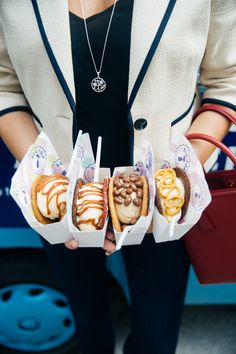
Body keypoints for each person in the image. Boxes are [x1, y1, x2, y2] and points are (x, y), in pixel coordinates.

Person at [0, 1, 235, 353]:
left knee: (157, 337)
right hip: (61, 197)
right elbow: (5, 83)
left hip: (164, 202)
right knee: (87, 323)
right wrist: (44, 180)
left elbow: (226, 80)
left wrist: (176, 178)